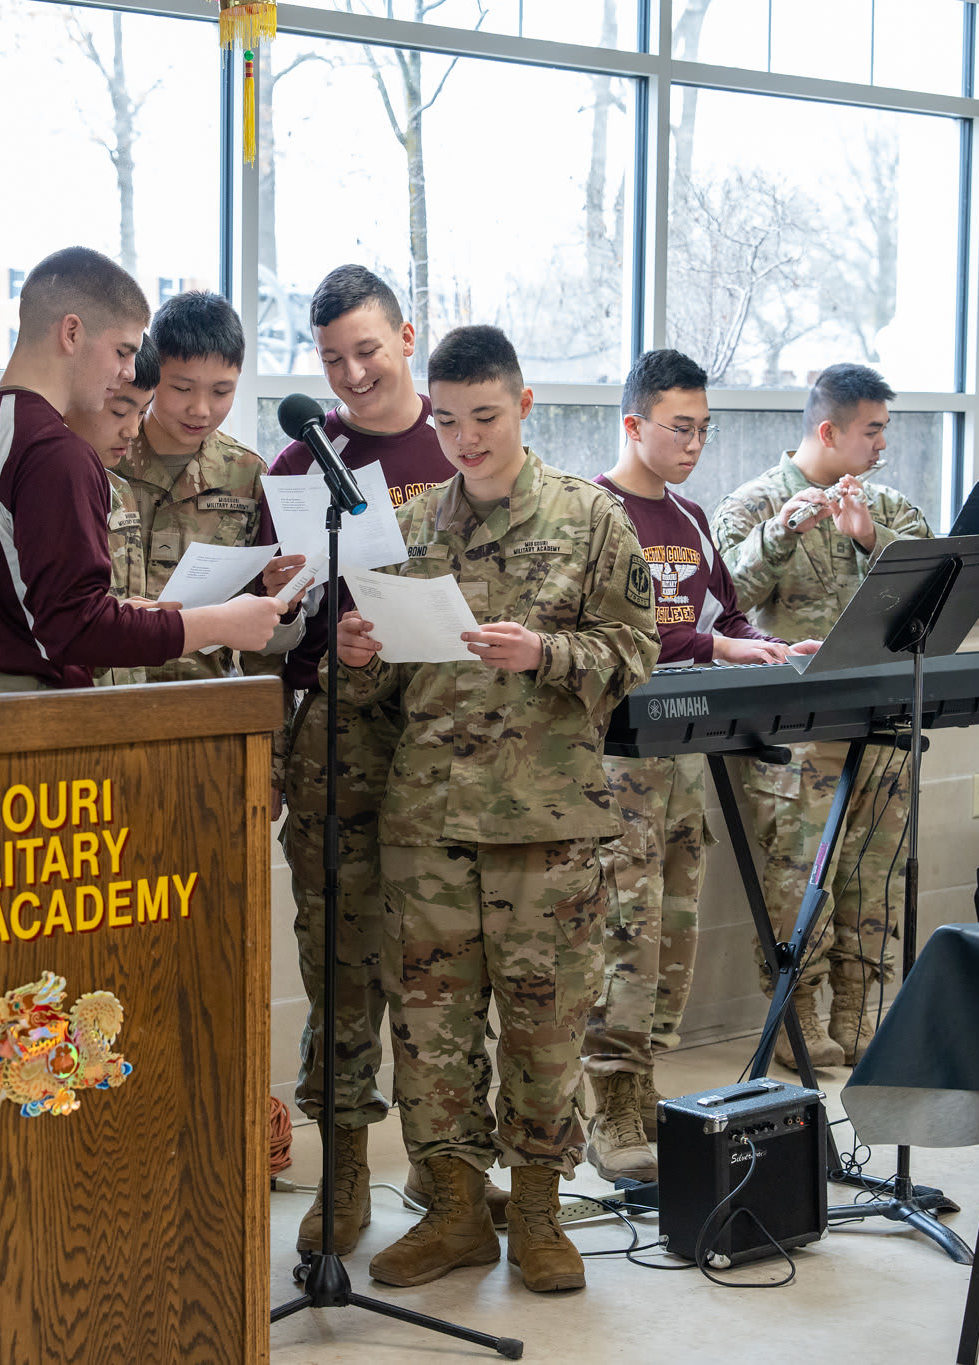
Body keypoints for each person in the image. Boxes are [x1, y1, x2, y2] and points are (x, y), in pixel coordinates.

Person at [334, 325, 658, 1293]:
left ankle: (540, 1214)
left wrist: (548, 654)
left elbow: (635, 649)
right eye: (445, 421)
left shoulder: (590, 519)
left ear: (522, 407)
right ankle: (454, 1211)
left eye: (482, 417)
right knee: (429, 1037)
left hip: (543, 831)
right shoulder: (412, 529)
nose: (464, 440)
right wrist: (356, 654)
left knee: (542, 1029)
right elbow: (379, 697)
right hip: (426, 831)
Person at [255, 266, 459, 1258]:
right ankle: (341, 1185)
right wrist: (296, 612)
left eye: (366, 351)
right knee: (338, 968)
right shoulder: (304, 459)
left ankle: (446, 1172)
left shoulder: (453, 442)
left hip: (449, 743)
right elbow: (275, 621)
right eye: (331, 359)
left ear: (407, 337)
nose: (349, 374)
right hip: (334, 743)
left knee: (443, 974)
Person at [0, 248, 280, 689]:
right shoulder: (57, 452)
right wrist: (219, 623)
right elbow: (78, 628)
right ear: (71, 332)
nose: (129, 370)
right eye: (123, 350)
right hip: (32, 718)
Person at [584, 348, 805, 1182]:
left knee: (673, 934)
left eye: (704, 429)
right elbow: (617, 629)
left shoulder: (693, 518)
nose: (694, 443)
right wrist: (715, 643)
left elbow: (730, 615)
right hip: (615, 765)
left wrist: (770, 649)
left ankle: (647, 1089)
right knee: (623, 936)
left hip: (688, 763)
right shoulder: (592, 513)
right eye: (680, 427)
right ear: (634, 423)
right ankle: (610, 1098)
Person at [711, 364, 926, 1072]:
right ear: (828, 430)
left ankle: (860, 1014)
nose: (882, 444)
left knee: (875, 874)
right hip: (799, 732)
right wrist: (780, 534)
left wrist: (870, 540)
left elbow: (933, 589)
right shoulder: (756, 503)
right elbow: (719, 602)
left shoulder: (889, 505)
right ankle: (794, 1016)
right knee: (801, 878)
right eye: (872, 430)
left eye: (885, 430)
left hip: (883, 719)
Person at [110, 289, 296, 682]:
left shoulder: (247, 476)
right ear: (152, 372)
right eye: (182, 388)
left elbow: (262, 632)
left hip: (204, 703)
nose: (201, 409)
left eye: (221, 391)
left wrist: (284, 602)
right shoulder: (105, 458)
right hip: (107, 702)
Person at [63, 343, 163, 689]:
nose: (133, 431)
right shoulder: (41, 485)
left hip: (124, 701)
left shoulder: (118, 491)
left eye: (141, 414)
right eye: (120, 412)